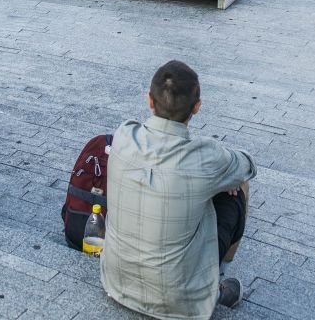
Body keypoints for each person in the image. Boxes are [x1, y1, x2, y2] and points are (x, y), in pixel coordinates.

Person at [101, 60, 255, 317]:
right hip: (179, 301)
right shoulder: (206, 156)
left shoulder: (124, 134)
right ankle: (217, 283)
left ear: (149, 100)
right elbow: (248, 165)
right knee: (238, 185)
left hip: (116, 282)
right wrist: (223, 177)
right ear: (197, 107)